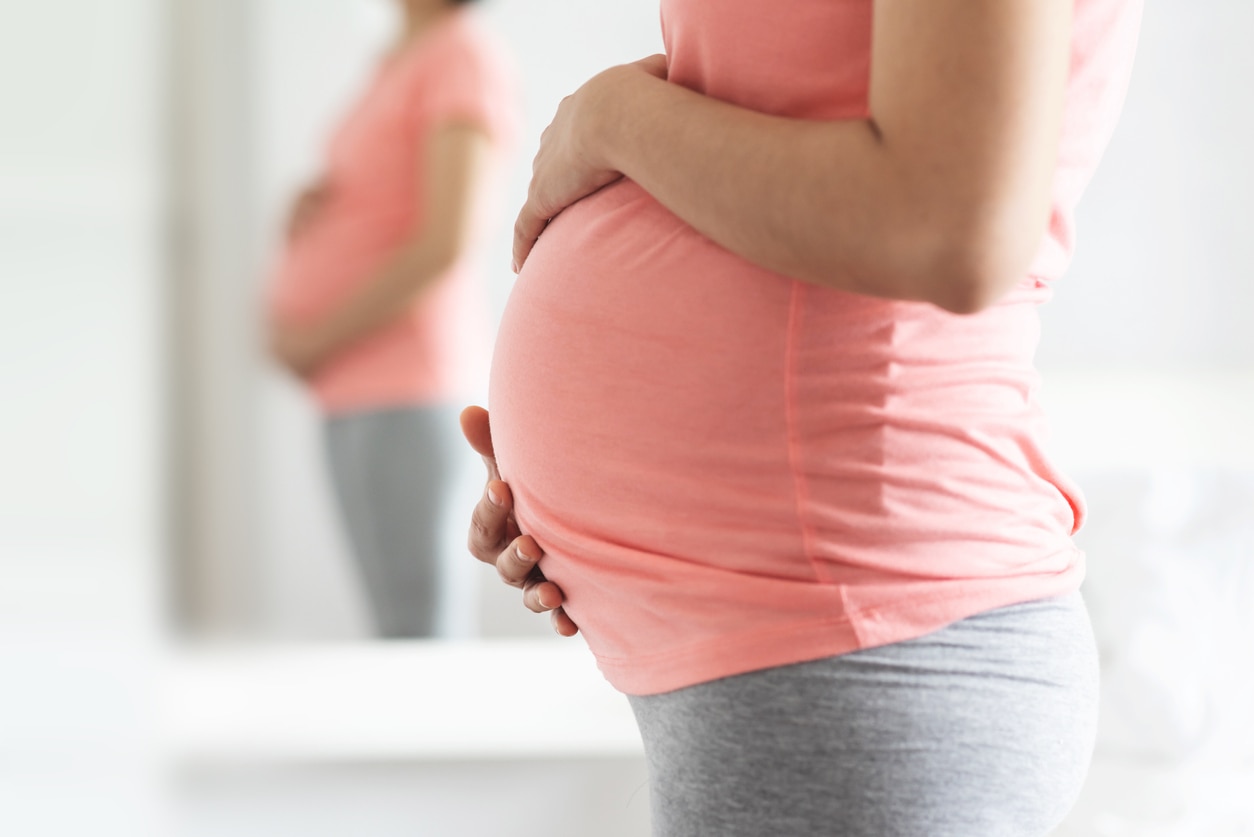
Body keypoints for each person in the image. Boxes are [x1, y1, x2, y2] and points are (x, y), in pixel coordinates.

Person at [467, 0, 1143, 834]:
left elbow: (948, 223)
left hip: (868, 637)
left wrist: (609, 120)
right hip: (785, 645)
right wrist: (592, 512)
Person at [268, 0, 516, 638]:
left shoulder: (458, 54)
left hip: (407, 385)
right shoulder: (400, 62)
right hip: (355, 390)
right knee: (394, 626)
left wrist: (315, 337)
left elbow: (445, 241)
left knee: (414, 631)